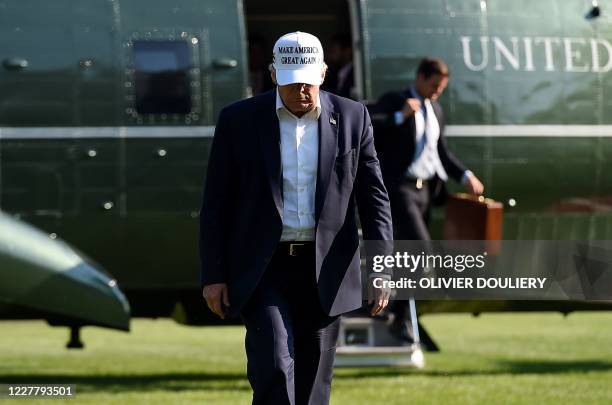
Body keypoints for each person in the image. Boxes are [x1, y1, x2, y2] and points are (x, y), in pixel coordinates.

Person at [199, 31, 393, 405]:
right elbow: (215, 204)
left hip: (327, 270)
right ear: (273, 75)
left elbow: (374, 200)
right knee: (272, 365)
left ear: (323, 72)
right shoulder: (238, 121)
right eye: (291, 83)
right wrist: (214, 275)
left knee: (313, 383)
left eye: (307, 81)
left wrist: (381, 267)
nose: (301, 90)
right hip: (263, 269)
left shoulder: (354, 118)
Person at [370, 57, 484, 341]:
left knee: (410, 258)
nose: (436, 92)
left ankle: (396, 313)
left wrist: (466, 175)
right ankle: (392, 308)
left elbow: (441, 152)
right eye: (433, 85)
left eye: (441, 88)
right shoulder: (395, 100)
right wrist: (400, 117)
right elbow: (368, 125)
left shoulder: (436, 110)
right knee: (422, 251)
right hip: (400, 189)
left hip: (425, 192)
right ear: (420, 77)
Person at [322, 33, 355, 99]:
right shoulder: (333, 73)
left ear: (347, 51)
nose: (329, 54)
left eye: (333, 51)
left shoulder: (357, 75)